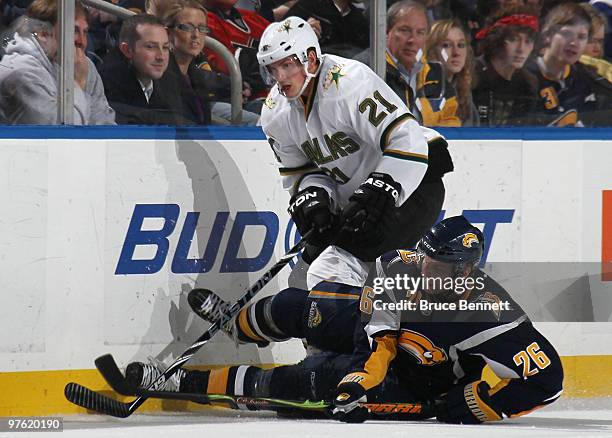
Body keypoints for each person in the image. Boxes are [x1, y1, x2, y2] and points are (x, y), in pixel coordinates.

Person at [125, 216, 564, 425]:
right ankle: (234, 325)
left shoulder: (487, 314)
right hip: (379, 342)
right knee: (298, 306)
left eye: (440, 266)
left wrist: (482, 402)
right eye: (426, 259)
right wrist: (362, 375)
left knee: (300, 381)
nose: (426, 270)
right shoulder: (399, 264)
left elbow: (550, 379)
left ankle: (183, 383)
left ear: (467, 270)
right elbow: (380, 342)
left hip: (413, 378)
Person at [257, 16, 453, 295]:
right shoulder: (275, 113)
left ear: (310, 58)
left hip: (414, 183)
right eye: (272, 69)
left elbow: (406, 139)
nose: (280, 78)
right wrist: (315, 197)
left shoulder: (349, 82)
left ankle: (362, 336)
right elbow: (302, 172)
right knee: (301, 282)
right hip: (358, 199)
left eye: (287, 65)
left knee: (334, 273)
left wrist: (382, 185)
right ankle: (243, 326)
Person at [0, 0, 115, 124]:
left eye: (85, 32)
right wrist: (78, 82)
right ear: (43, 33)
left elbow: (105, 124)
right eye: (74, 30)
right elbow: (63, 131)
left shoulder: (84, 65)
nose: (82, 41)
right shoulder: (19, 71)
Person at [356, 0, 462, 127]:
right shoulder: (366, 68)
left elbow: (451, 122)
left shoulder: (435, 75)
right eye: (405, 30)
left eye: (420, 32)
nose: (412, 40)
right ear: (386, 32)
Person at [526, 2, 612, 127]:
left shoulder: (593, 83)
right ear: (547, 35)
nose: (574, 42)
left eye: (581, 37)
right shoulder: (522, 77)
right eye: (567, 33)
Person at [98, 13, 186, 125]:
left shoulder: (170, 79)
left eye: (165, 47)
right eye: (150, 47)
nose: (160, 57)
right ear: (127, 50)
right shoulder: (108, 81)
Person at [471, 6, 540, 126]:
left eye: (528, 41)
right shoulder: (473, 74)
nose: (521, 49)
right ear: (496, 40)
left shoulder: (529, 84)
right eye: (513, 39)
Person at [203, 0, 271, 109]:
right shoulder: (202, 22)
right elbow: (228, 69)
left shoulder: (254, 19)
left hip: (279, 95)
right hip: (247, 102)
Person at [426, 19, 478, 126]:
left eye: (461, 45)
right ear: (431, 51)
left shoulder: (464, 91)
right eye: (446, 45)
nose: (456, 52)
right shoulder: (422, 90)